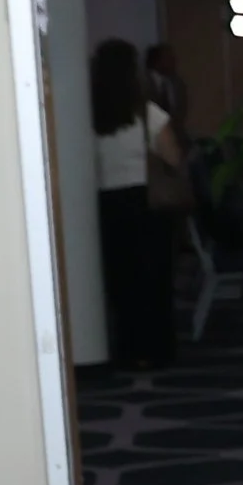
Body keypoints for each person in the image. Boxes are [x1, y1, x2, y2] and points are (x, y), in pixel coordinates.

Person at [90, 38, 186, 369]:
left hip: (106, 200)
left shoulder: (90, 116)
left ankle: (127, 347)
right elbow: (173, 156)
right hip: (146, 200)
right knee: (154, 278)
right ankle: (156, 347)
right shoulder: (147, 113)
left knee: (120, 280)